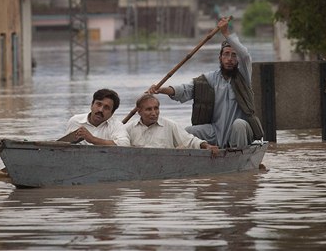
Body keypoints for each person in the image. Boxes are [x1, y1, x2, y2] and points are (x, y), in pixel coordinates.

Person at [148, 16, 264, 149]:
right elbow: (186, 90)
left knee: (239, 124)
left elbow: (245, 55)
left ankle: (240, 158)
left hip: (240, 132)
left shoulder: (243, 76)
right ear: (220, 58)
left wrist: (226, 33)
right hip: (216, 131)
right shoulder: (210, 79)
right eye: (226, 54)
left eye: (233, 55)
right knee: (188, 132)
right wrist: (161, 89)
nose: (229, 59)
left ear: (237, 60)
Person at [126, 94, 219, 156]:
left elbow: (190, 141)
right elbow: (119, 144)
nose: (154, 113)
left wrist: (207, 146)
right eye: (149, 109)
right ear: (139, 111)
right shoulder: (129, 128)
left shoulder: (170, 125)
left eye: (156, 108)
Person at [65, 88, 130, 147]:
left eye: (106, 107)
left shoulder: (116, 125)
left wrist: (93, 139)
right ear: (91, 105)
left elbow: (125, 145)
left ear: (112, 113)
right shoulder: (75, 121)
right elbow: (65, 147)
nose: (100, 110)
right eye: (98, 104)